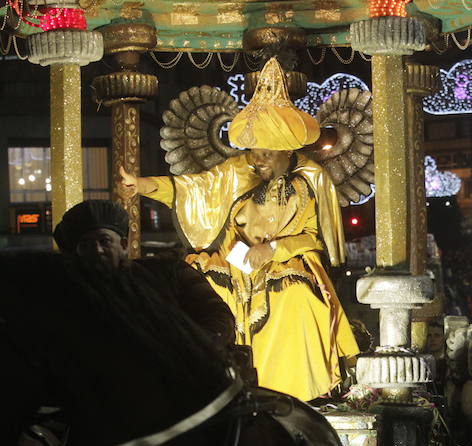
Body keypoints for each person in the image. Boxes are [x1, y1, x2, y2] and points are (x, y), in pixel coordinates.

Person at [117, 57, 358, 401]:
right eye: (252, 151)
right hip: (233, 260)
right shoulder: (236, 169)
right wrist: (141, 185)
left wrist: (273, 251)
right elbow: (190, 188)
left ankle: (296, 396)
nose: (256, 159)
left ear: (284, 150)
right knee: (201, 294)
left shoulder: (312, 179)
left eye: (263, 153)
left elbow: (314, 238)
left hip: (285, 264)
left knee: (298, 300)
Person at [52, 199, 235, 348]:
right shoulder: (76, 298)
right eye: (86, 246)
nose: (97, 250)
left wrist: (193, 348)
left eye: (104, 241)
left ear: (124, 245)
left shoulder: (169, 271)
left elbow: (218, 315)